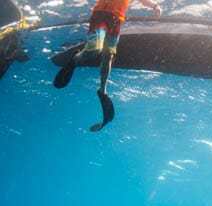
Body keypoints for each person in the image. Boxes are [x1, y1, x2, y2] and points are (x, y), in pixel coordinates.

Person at [52, 0, 161, 131]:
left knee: (109, 55)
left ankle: (103, 90)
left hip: (116, 20)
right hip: (100, 15)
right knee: (94, 50)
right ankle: (75, 59)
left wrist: (155, 6)